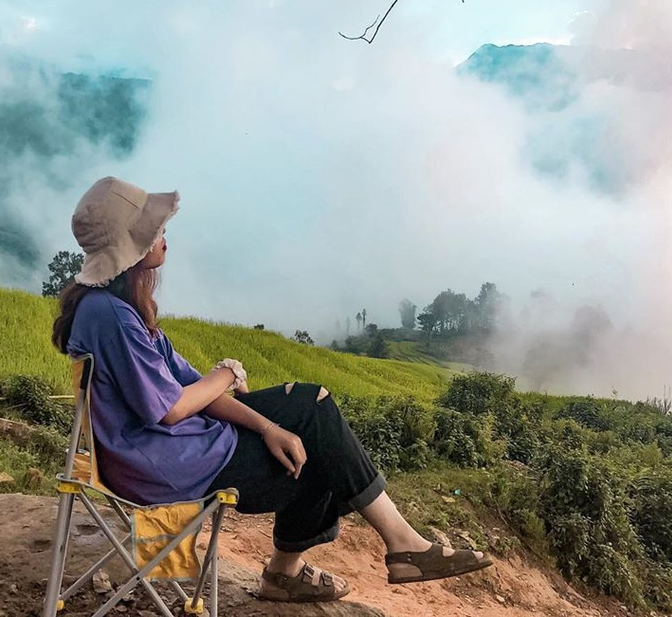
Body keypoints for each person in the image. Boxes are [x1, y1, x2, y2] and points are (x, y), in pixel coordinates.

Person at [52, 176, 493, 602]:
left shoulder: (120, 311)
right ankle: (357, 556)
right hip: (165, 465)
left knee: (312, 413)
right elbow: (172, 408)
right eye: (155, 230)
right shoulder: (109, 316)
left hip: (170, 450)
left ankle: (351, 558)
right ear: (130, 249)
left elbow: (191, 389)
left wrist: (266, 427)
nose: (165, 235)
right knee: (319, 442)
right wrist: (226, 372)